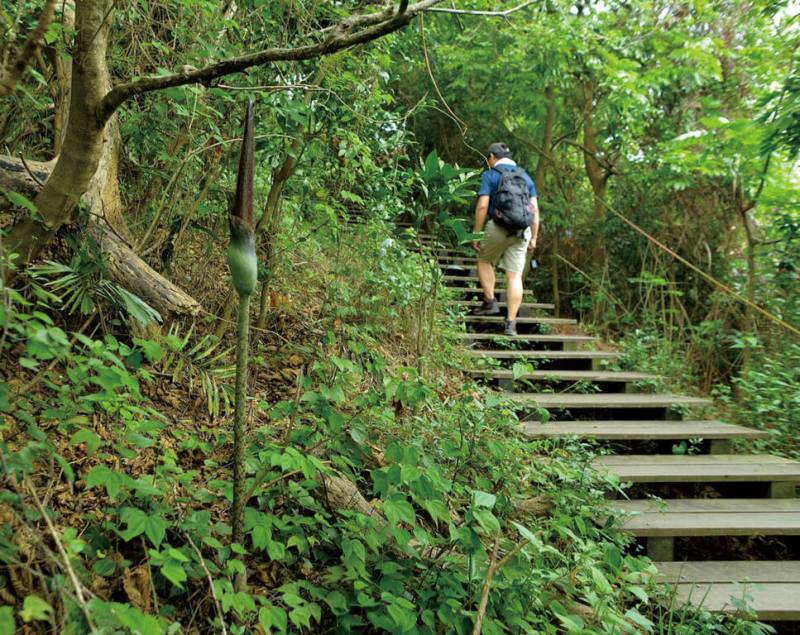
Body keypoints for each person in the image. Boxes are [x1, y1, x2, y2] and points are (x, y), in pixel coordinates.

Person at [471, 142, 539, 336]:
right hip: (522, 231)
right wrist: (533, 237)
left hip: (498, 227)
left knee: (484, 260)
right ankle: (510, 323)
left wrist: (476, 233)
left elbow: (483, 206)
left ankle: (490, 301)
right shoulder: (525, 177)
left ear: (492, 156)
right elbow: (535, 211)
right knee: (514, 276)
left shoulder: (491, 174)